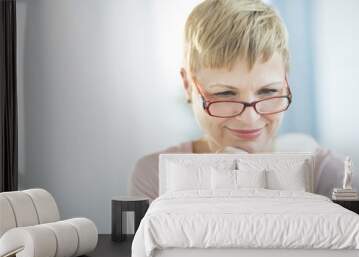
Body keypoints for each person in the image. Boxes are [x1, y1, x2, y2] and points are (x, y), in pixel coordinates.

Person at [128, 0, 347, 202]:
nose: (249, 118)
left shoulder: (324, 173)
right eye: (225, 94)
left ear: (285, 81)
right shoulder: (156, 176)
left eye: (269, 91)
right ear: (188, 85)